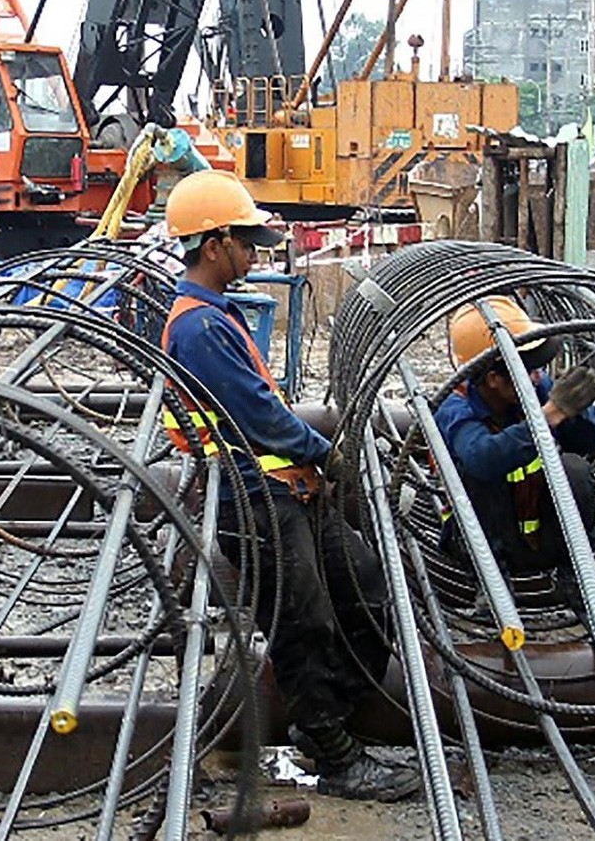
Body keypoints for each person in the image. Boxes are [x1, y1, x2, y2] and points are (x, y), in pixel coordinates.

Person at [156, 170, 420, 802]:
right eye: (246, 243)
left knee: (366, 589)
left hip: (289, 494)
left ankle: (327, 721)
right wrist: (328, 451)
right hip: (258, 502)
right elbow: (261, 419)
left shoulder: (215, 317)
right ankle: (333, 754)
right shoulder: (197, 327)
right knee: (306, 624)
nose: (253, 254)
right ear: (214, 243)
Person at [434, 298, 595, 599]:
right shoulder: (454, 407)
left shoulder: (535, 387)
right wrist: (551, 414)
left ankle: (574, 570)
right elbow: (481, 459)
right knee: (476, 474)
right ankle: (492, 585)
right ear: (493, 379)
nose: (537, 376)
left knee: (574, 468)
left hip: (543, 536)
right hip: (482, 544)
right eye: (528, 369)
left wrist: (577, 411)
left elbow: (589, 442)